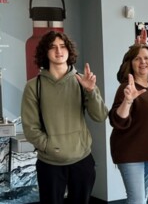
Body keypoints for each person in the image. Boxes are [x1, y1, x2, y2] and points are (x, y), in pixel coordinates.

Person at [21, 31, 108, 204]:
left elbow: (100, 115)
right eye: (52, 47)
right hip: (49, 163)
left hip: (82, 159)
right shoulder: (33, 86)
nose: (58, 51)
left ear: (69, 51)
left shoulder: (83, 81)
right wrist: (49, 147)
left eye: (62, 46)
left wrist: (91, 91)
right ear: (45, 52)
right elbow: (30, 128)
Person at [109, 44, 148, 203]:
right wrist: (127, 101)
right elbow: (117, 121)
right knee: (137, 201)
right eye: (137, 58)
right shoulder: (126, 88)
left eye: (147, 58)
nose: (143, 62)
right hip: (130, 151)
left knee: (143, 197)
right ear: (131, 63)